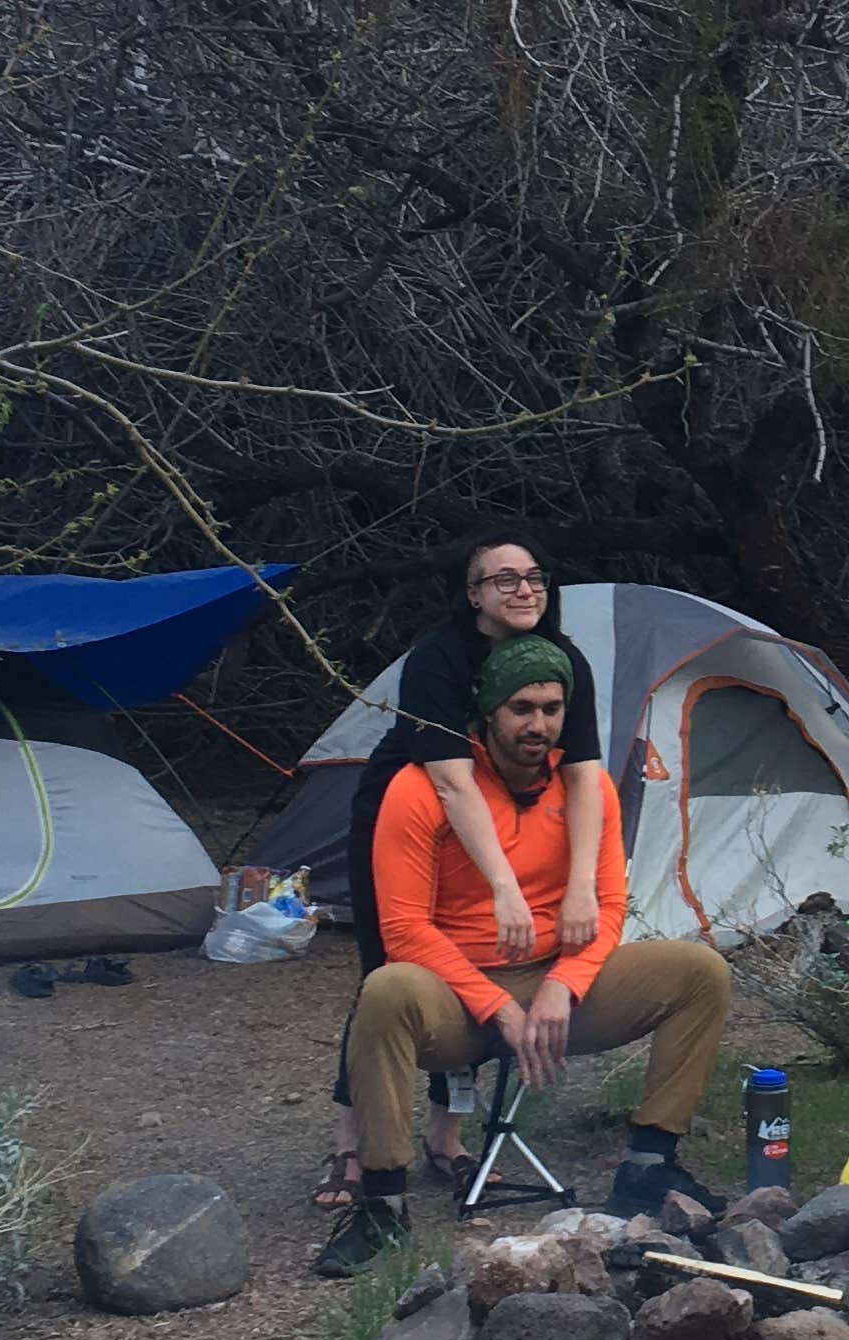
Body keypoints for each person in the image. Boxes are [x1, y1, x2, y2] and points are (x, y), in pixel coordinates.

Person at [313, 635, 732, 1277]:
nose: (539, 724)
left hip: (554, 985)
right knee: (387, 989)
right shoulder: (419, 789)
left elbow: (609, 908)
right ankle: (382, 1205)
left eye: (551, 707)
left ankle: (648, 1165)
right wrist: (494, 1006)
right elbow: (402, 930)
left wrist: (563, 984)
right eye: (521, 708)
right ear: (487, 713)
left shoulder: (586, 789)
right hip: (456, 994)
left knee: (699, 971)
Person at [314, 537, 610, 1214]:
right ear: (472, 594)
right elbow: (450, 784)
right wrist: (504, 884)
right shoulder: (438, 661)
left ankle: (446, 1139)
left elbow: (585, 775)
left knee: (480, 964)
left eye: (534, 576)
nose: (523, 589)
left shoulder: (565, 661)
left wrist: (582, 883)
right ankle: (351, 1144)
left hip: (506, 816)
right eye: (502, 580)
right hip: (412, 816)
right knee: (391, 977)